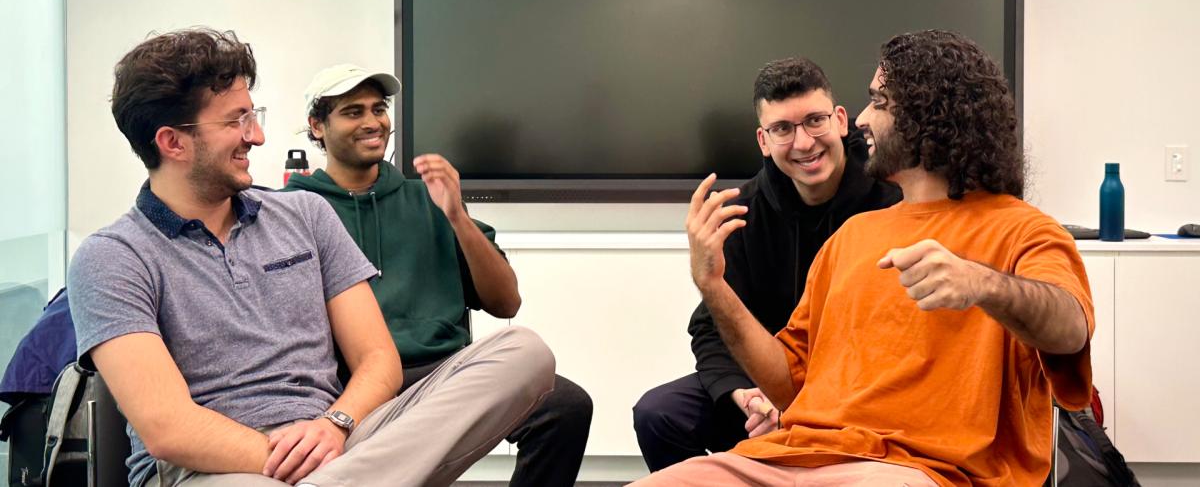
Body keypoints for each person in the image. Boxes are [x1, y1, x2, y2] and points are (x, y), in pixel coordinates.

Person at [68, 28, 555, 487]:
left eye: (252, 114)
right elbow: (169, 430)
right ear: (172, 142)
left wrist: (335, 427)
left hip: (341, 438)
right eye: (236, 120)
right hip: (211, 467)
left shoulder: (305, 213)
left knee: (523, 352)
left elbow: (378, 359)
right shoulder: (112, 257)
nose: (256, 136)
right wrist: (299, 462)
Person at [633, 30, 1094, 486]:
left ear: (926, 116)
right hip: (794, 454)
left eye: (878, 102)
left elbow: (1071, 330)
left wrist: (982, 284)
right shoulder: (852, 237)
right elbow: (789, 386)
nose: (859, 119)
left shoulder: (1024, 229)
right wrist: (713, 285)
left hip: (922, 468)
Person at [283, 64, 593, 487]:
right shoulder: (292, 209)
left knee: (566, 407)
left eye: (379, 109)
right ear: (317, 127)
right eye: (353, 112)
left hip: (443, 371)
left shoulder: (426, 197)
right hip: (350, 381)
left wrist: (455, 215)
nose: (373, 122)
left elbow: (506, 303)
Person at [632, 57, 900, 471]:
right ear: (763, 140)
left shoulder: (892, 199)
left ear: (841, 120)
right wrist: (744, 392)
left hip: (860, 397)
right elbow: (709, 326)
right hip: (768, 390)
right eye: (782, 129)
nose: (804, 143)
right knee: (659, 412)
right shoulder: (741, 212)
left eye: (815, 120)